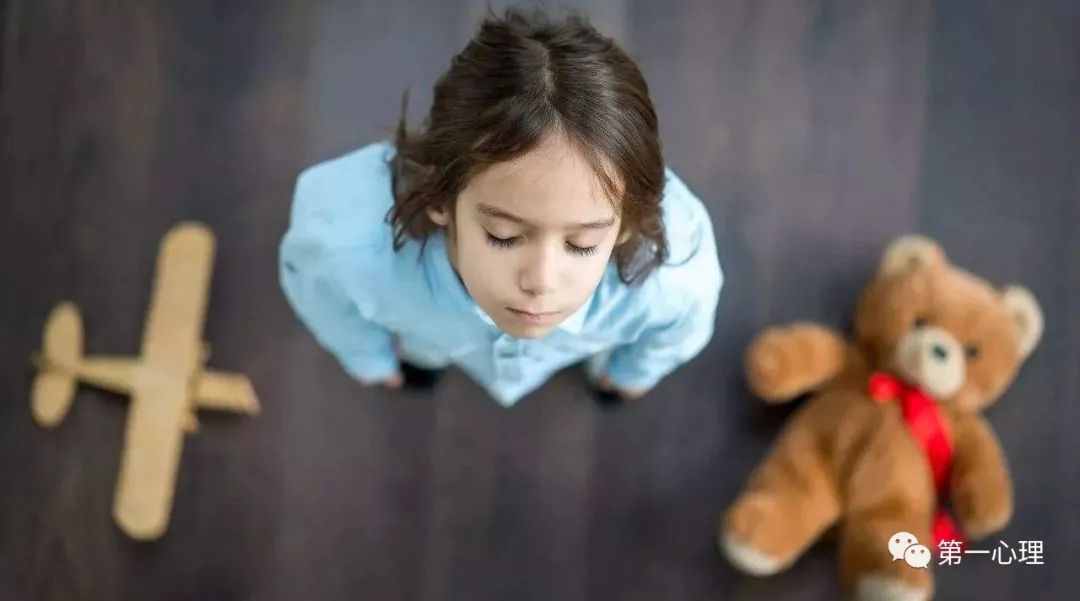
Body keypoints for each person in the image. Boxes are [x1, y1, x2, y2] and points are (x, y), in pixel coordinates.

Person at [279, 6, 723, 408]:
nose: (541, 282)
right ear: (438, 195)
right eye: (503, 236)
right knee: (423, 356)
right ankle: (425, 362)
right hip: (426, 339)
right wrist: (369, 358)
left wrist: (632, 374)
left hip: (580, 351)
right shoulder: (343, 248)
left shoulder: (675, 282)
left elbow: (679, 331)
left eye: (583, 243)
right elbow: (323, 297)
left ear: (626, 223)